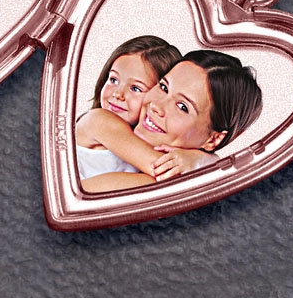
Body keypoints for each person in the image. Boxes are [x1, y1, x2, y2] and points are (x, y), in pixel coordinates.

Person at [80, 49, 263, 193]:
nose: (156, 106)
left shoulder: (165, 185)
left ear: (213, 139)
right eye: (163, 87)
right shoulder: (100, 120)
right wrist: (203, 161)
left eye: (182, 107)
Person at [76, 36, 181, 181]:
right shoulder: (98, 120)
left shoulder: (148, 138)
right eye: (113, 79)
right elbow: (166, 172)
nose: (118, 94)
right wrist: (200, 159)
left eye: (135, 88)